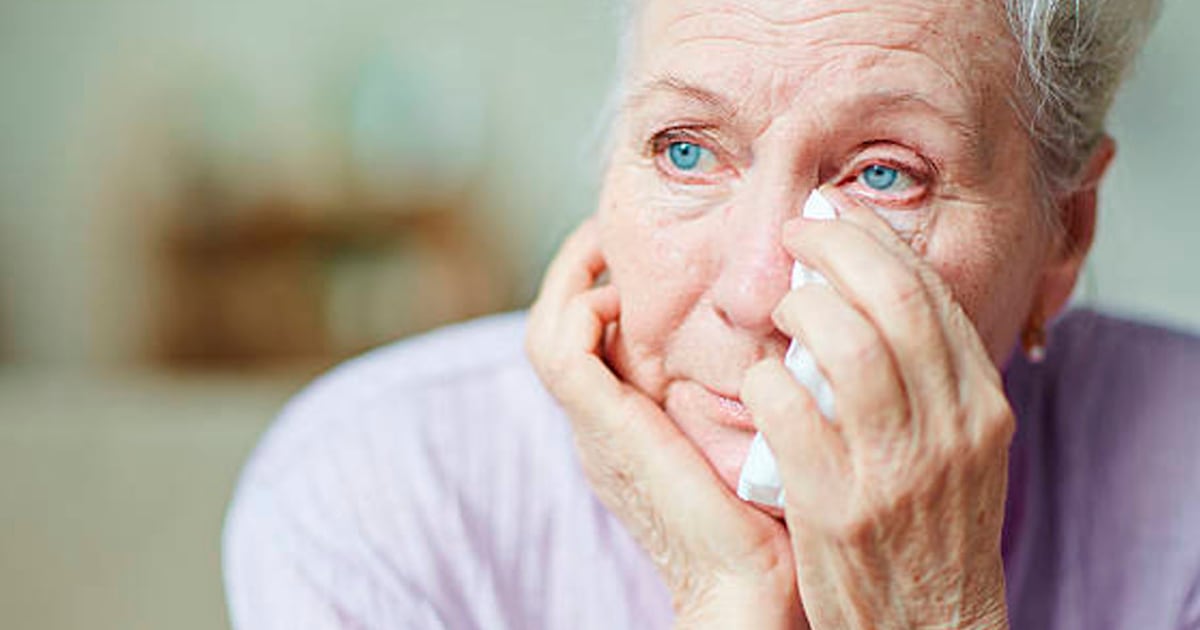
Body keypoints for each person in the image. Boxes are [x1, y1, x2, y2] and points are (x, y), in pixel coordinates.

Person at [223, 0, 1200, 627]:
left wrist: (930, 617)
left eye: (886, 174)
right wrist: (731, 601)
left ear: (1064, 235)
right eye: (686, 150)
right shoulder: (375, 495)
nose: (754, 291)